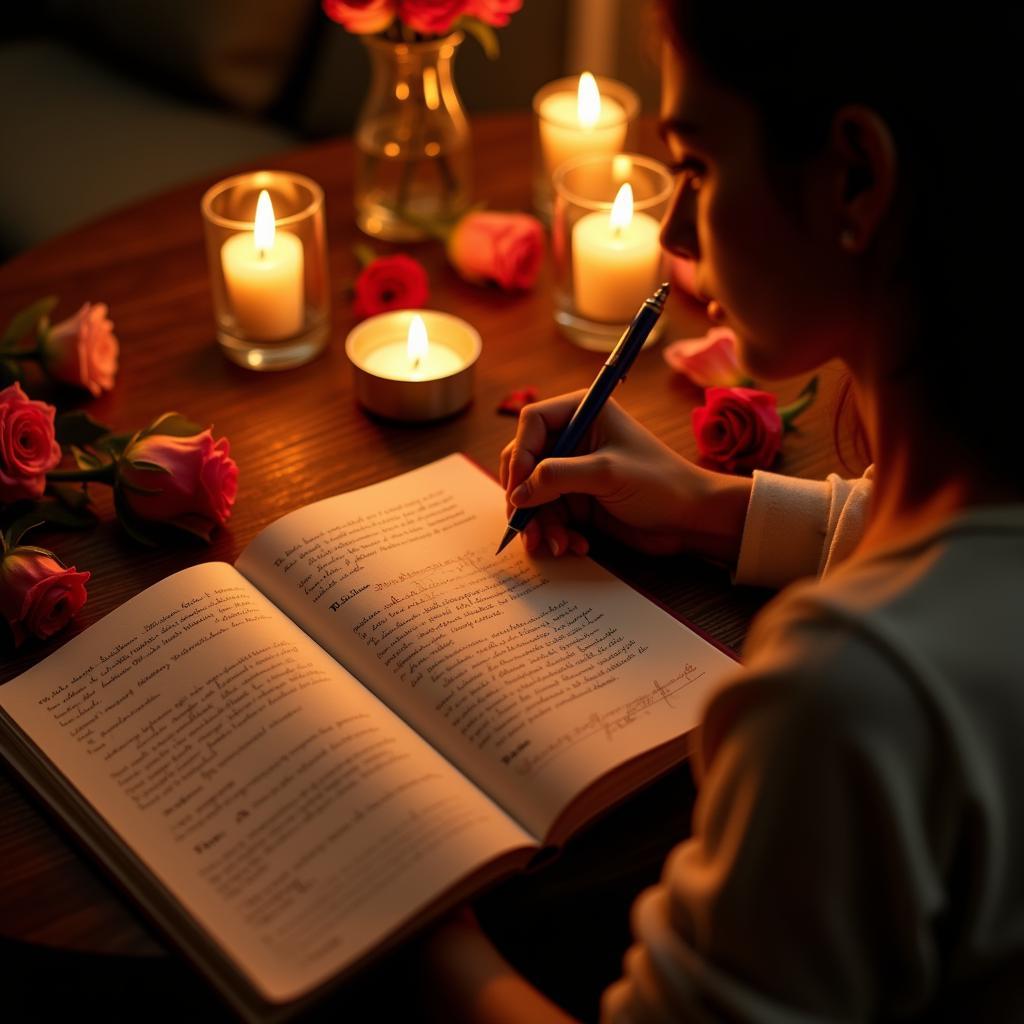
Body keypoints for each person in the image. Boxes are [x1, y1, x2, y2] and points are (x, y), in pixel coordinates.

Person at [416, 1, 1024, 1020]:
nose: (671, 231)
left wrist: (422, 934)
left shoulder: (850, 699)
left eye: (695, 166)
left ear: (855, 177)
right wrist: (708, 508)